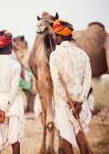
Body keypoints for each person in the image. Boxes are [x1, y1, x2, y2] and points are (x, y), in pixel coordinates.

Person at [49, 19, 92, 154]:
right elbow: (87, 80)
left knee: (66, 138)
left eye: (56, 35)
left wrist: (69, 102)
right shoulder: (83, 54)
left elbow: (56, 82)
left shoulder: (55, 55)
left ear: (61, 36)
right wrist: (79, 101)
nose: (54, 38)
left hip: (64, 103)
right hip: (80, 102)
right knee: (81, 134)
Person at [0, 30, 25, 154]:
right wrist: (4, 109)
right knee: (15, 141)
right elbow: (14, 90)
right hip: (13, 106)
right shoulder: (15, 65)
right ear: (9, 47)